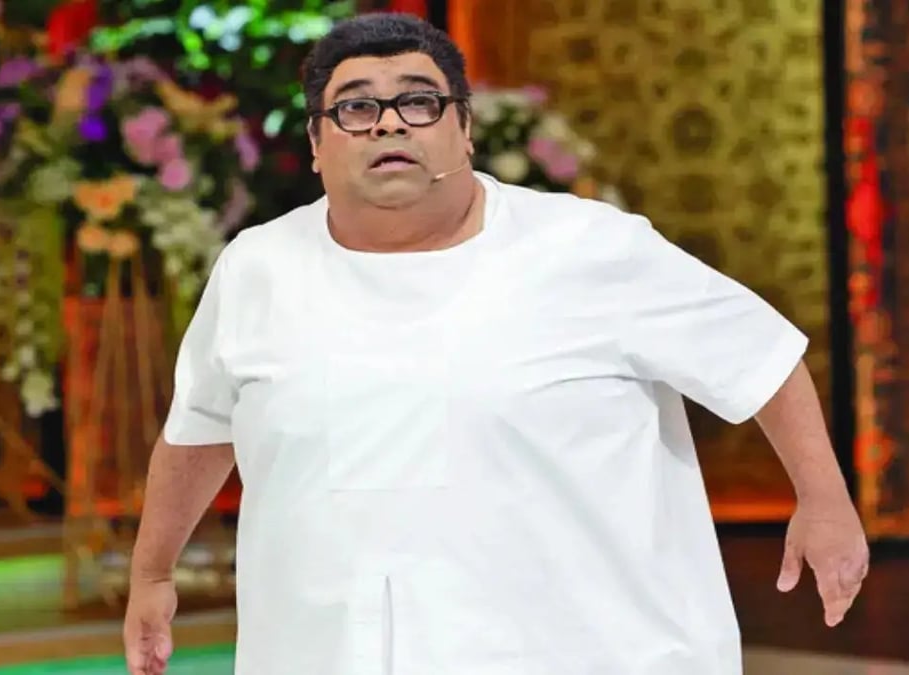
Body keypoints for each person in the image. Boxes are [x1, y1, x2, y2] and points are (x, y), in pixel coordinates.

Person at [123, 13, 869, 675]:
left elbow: (759, 358)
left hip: (587, 647)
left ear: (465, 129)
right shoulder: (257, 267)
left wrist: (825, 500)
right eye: (356, 107)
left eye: (419, 101)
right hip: (329, 647)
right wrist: (152, 572)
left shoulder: (587, 246)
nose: (389, 124)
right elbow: (201, 428)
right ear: (316, 143)